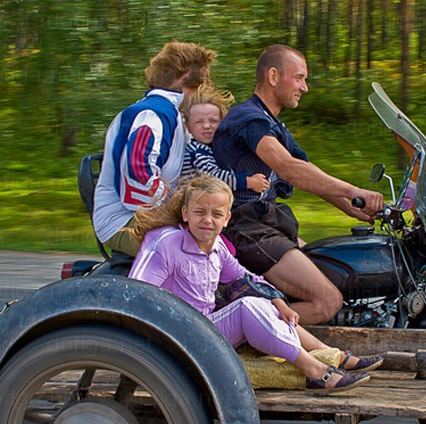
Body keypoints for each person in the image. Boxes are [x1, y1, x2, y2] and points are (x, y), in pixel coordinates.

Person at [127, 175, 382, 394]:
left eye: (216, 214)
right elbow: (135, 295)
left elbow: (247, 279)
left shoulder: (217, 248)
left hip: (204, 330)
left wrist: (279, 302)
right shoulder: (165, 242)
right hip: (172, 337)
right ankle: (315, 371)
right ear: (185, 213)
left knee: (264, 301)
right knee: (247, 306)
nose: (208, 220)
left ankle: (332, 356)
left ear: (227, 218)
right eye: (199, 212)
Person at [212, 45, 384, 324]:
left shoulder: (274, 125)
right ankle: (230, 331)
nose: (305, 87)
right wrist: (353, 191)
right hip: (245, 227)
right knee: (326, 301)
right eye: (300, 78)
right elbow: (288, 167)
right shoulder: (248, 119)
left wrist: (353, 208)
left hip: (267, 223)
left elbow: (308, 172)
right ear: (273, 76)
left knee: (335, 270)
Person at [92, 41, 217, 257]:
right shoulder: (152, 114)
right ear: (189, 80)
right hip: (123, 222)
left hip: (138, 215)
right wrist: (180, 204)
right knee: (195, 252)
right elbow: (138, 174)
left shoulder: (171, 115)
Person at [179, 84, 271, 195]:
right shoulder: (196, 151)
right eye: (199, 122)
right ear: (188, 126)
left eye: (213, 121)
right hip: (195, 203)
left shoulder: (214, 147)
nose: (207, 126)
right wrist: (249, 182)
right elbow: (215, 177)